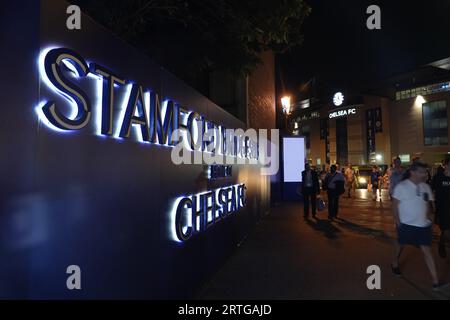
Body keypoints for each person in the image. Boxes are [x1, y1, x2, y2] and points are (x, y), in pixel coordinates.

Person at [391, 162, 444, 290]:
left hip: (422, 226)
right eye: (422, 172)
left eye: (425, 172)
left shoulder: (425, 187)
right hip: (406, 224)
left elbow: (428, 205)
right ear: (413, 172)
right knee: (401, 245)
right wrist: (398, 223)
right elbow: (394, 206)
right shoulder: (401, 187)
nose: (425, 174)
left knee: (426, 251)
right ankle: (395, 262)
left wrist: (429, 221)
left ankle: (435, 280)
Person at [432, 159, 450, 258]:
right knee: (444, 229)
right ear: (445, 165)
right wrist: (433, 206)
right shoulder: (439, 177)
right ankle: (441, 244)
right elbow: (432, 190)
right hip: (442, 208)